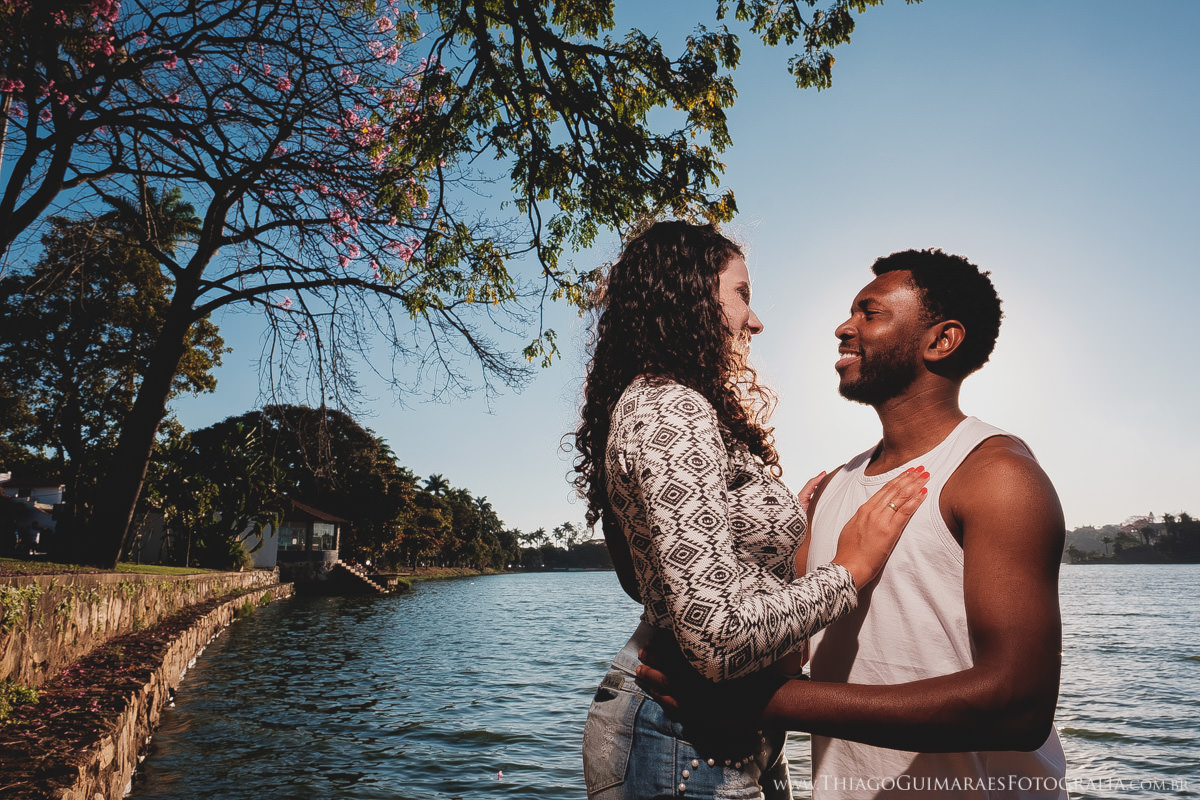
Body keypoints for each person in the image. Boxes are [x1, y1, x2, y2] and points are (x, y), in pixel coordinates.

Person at [638, 248, 1067, 799]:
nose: (844, 328)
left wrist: (756, 703)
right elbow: (792, 656)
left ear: (941, 340)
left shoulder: (996, 476)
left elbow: (1018, 706)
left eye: (871, 313)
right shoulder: (832, 490)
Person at [573, 221, 929, 800]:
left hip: (718, 733)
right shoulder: (670, 409)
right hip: (679, 738)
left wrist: (775, 527)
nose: (755, 320)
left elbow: (655, 579)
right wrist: (850, 572)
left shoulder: (669, 406)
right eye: (742, 294)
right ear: (687, 294)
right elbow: (716, 638)